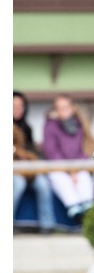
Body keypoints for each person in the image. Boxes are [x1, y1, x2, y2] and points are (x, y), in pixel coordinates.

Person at [42, 94, 94, 220]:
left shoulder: (80, 124)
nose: (63, 111)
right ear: (55, 110)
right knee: (59, 177)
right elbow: (51, 152)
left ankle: (88, 206)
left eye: (66, 107)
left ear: (72, 108)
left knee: (84, 176)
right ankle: (74, 208)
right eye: (60, 108)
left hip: (78, 166)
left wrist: (75, 170)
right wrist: (69, 170)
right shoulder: (50, 126)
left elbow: (86, 148)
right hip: (59, 167)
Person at [13, 90, 57, 234]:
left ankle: (47, 225)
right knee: (18, 183)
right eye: (14, 105)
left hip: (27, 169)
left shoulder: (27, 127)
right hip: (13, 172)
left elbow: (31, 151)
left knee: (43, 183)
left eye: (20, 105)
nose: (18, 109)